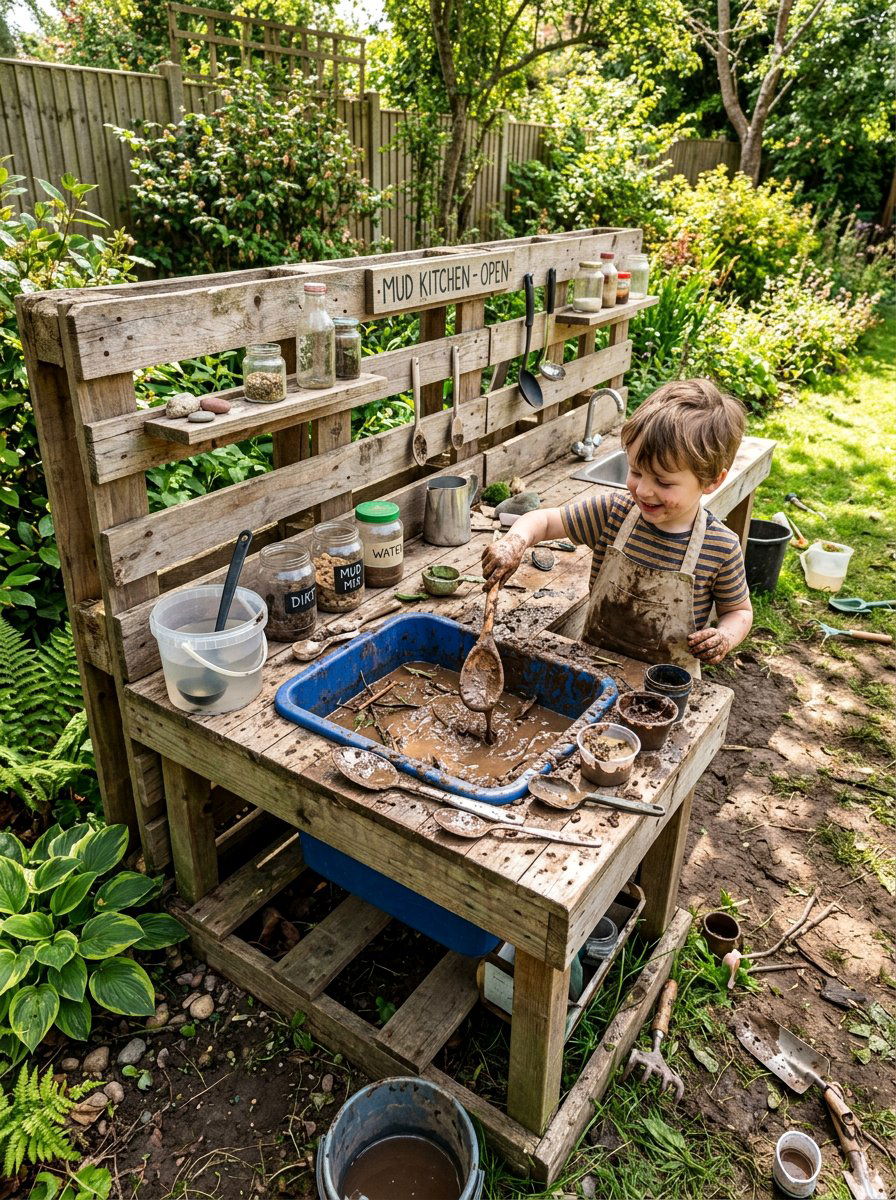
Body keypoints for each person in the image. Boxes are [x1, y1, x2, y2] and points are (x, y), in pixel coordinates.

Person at [482, 379, 753, 671]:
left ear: (712, 481)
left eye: (662, 481)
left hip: (665, 689)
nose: (644, 490)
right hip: (592, 669)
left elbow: (738, 611)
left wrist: (725, 636)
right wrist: (516, 540)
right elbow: (545, 520)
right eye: (636, 471)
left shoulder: (721, 548)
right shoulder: (614, 513)